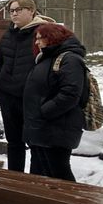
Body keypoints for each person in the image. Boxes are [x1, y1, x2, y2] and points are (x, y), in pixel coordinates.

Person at [0, 0, 51, 172]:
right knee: (14, 142)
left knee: (35, 143)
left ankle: (32, 183)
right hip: (8, 96)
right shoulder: (8, 35)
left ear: (31, 11)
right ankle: (14, 180)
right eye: (11, 11)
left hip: (31, 98)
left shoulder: (42, 33)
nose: (14, 14)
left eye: (19, 10)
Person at [23, 24, 87, 181]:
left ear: (53, 37)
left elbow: (71, 93)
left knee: (59, 174)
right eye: (36, 39)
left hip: (57, 128)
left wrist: (45, 111)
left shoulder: (69, 59)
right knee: (46, 174)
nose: (37, 43)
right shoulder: (46, 59)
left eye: (41, 38)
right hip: (42, 128)